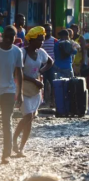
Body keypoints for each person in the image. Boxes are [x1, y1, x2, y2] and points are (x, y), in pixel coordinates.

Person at [13, 26, 53, 157]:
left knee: (29, 119)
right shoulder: (22, 53)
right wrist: (34, 80)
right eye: (39, 40)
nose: (42, 42)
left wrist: (41, 72)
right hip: (23, 89)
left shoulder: (41, 53)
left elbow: (50, 62)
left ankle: (21, 147)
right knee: (28, 116)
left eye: (42, 40)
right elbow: (17, 72)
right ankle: (14, 139)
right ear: (32, 40)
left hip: (35, 91)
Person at [0, 26, 23, 164]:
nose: (9, 40)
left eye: (12, 37)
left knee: (7, 122)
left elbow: (19, 72)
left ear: (15, 37)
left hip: (9, 91)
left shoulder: (17, 51)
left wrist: (19, 93)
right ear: (2, 35)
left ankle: (6, 154)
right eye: (6, 36)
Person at [41, 23, 58, 107]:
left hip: (52, 66)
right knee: (41, 83)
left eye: (50, 30)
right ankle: (42, 100)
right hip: (42, 65)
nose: (48, 32)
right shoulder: (40, 41)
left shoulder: (55, 41)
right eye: (46, 30)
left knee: (53, 84)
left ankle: (53, 101)